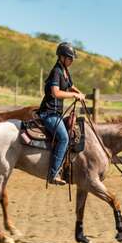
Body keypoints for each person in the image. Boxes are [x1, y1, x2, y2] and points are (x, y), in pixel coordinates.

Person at [39, 42, 85, 185]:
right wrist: (73, 96)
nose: (71, 61)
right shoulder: (56, 71)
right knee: (64, 138)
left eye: (72, 59)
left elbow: (70, 86)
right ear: (62, 57)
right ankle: (53, 173)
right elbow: (55, 92)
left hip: (57, 113)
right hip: (48, 113)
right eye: (70, 58)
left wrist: (78, 92)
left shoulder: (64, 71)